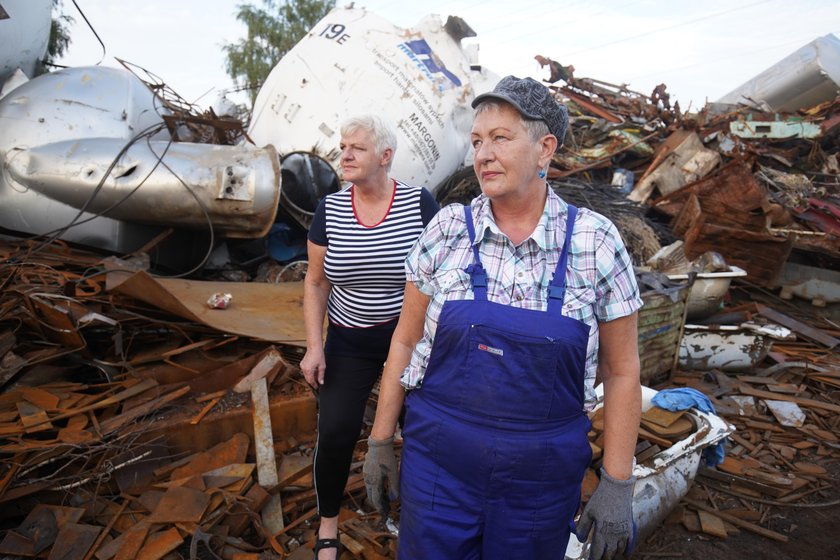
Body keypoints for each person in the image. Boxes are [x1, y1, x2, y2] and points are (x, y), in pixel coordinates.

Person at [363, 76, 643, 560]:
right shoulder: (448, 229)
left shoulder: (595, 242)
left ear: (544, 149)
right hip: (438, 476)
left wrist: (618, 481)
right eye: (476, 141)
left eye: (500, 138)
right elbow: (405, 342)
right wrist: (381, 438)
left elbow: (622, 372)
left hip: (538, 484)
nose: (483, 154)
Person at [300, 114, 439, 559]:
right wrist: (315, 346)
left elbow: (442, 275)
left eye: (356, 148)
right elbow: (316, 282)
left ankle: (415, 517)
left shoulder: (419, 204)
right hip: (349, 340)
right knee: (337, 430)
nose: (344, 154)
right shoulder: (331, 209)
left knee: (417, 430)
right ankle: (328, 524)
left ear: (385, 156)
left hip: (410, 339)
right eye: (342, 146)